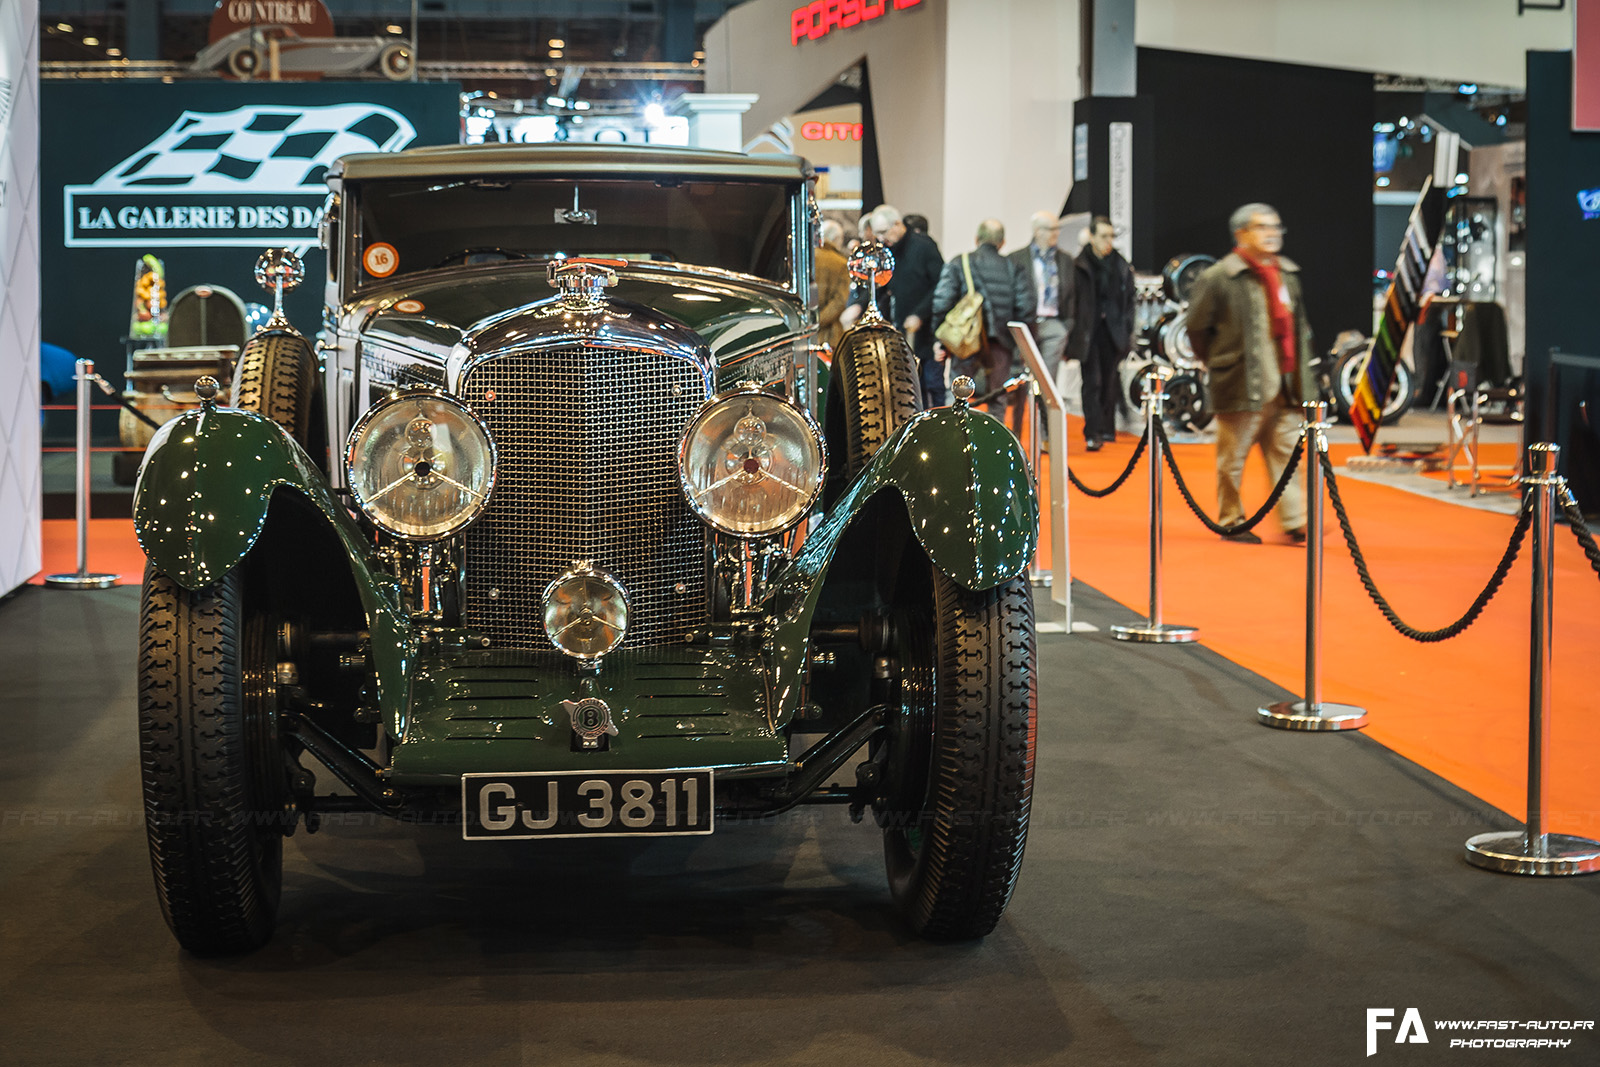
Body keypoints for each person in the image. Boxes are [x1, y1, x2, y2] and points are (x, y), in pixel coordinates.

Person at [1184, 202, 1316, 544]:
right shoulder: (1219, 276)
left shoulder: (1287, 273)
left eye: (1276, 227)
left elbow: (1300, 329)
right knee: (1232, 461)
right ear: (1241, 233)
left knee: (1288, 455)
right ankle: (1231, 520)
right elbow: (1197, 328)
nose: (1272, 233)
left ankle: (1295, 520)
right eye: (1263, 227)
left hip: (1286, 385)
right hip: (1240, 383)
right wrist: (1220, 361)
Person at [932, 218, 1029, 431]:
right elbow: (1025, 307)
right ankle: (993, 442)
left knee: (958, 393)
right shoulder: (1013, 266)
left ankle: (955, 438)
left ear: (977, 239)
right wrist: (1019, 345)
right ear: (1002, 242)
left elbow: (942, 301)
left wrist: (940, 339)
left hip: (966, 341)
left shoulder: (960, 262)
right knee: (998, 399)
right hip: (1001, 342)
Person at [1064, 215, 1135, 452]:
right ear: (1092, 237)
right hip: (1087, 331)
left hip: (1113, 331)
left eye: (1111, 236)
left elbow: (1129, 300)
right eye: (1104, 236)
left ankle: (1107, 428)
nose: (1109, 241)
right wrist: (1071, 333)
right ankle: (1092, 432)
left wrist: (1127, 329)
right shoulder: (1079, 264)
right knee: (1092, 381)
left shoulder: (1120, 265)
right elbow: (1071, 300)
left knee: (1109, 381)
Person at [871, 205, 946, 407]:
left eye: (883, 232)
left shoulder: (924, 246)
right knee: (907, 387)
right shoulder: (887, 251)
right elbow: (881, 286)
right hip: (902, 330)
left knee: (932, 384)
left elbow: (941, 286)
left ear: (897, 224)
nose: (881, 239)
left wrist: (920, 314)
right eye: (877, 234)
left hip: (929, 328)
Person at [1010, 210, 1073, 423]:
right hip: (1025, 325)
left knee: (1047, 383)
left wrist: (1066, 326)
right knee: (1020, 380)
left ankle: (1046, 432)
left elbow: (1072, 296)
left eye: (1057, 229)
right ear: (1037, 231)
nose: (1056, 233)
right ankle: (1016, 429)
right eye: (1051, 229)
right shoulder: (1017, 258)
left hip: (1054, 324)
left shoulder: (1065, 260)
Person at [815, 218, 850, 351]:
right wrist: (819, 321)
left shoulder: (807, 258)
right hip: (830, 335)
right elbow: (839, 301)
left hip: (804, 332)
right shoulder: (841, 263)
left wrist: (808, 323)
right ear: (836, 238)